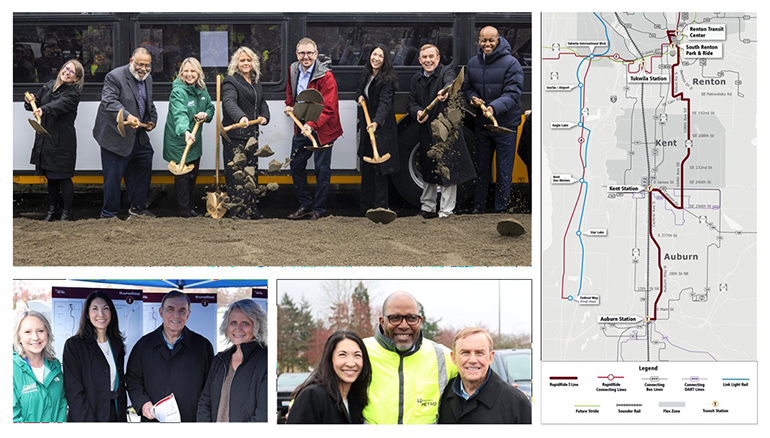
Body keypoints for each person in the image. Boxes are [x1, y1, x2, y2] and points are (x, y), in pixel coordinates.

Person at [362, 291, 457, 424]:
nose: (404, 325)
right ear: (382, 321)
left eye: (411, 318)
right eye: (395, 318)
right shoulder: (361, 352)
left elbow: (480, 380)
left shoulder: (442, 355)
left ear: (420, 321)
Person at [407, 45, 475, 219]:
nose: (428, 60)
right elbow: (411, 102)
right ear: (420, 60)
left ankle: (446, 210)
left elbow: (451, 84)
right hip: (426, 129)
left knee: (447, 168)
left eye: (431, 56)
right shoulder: (416, 79)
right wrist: (417, 112)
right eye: (424, 57)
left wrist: (446, 91)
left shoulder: (446, 72)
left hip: (445, 129)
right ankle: (428, 207)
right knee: (428, 167)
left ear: (438, 58)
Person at [126, 290, 214, 422]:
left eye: (182, 310)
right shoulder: (143, 346)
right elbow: (133, 379)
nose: (176, 315)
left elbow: (210, 387)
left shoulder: (203, 346)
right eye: (170, 309)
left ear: (188, 314)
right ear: (161, 312)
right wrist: (143, 403)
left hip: (191, 422)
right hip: (153, 423)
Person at [464, 26, 524, 214]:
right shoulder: (473, 63)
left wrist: (493, 108)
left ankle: (501, 209)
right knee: (481, 168)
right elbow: (466, 87)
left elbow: (513, 94)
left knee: (504, 170)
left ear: (498, 40)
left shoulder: (512, 63)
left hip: (506, 125)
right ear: (479, 41)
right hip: (483, 125)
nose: (487, 44)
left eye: (491, 40)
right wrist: (472, 98)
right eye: (484, 40)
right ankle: (478, 207)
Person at [93, 47, 158, 219]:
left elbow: (148, 103)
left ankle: (138, 209)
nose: (144, 69)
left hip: (138, 135)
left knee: (144, 162)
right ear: (131, 62)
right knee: (113, 177)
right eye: (140, 64)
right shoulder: (114, 77)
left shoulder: (148, 79)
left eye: (147, 66)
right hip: (115, 136)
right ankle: (109, 215)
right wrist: (129, 116)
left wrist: (152, 120)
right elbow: (109, 102)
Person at [284, 37, 343, 221]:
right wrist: (290, 105)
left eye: (309, 53)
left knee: (321, 169)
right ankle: (305, 204)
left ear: (316, 54)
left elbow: (329, 107)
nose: (306, 56)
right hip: (302, 126)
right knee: (296, 164)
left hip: (323, 127)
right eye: (302, 53)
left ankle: (319, 209)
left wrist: (312, 124)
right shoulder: (293, 70)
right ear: (297, 54)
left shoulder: (326, 76)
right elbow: (290, 92)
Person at [24, 60, 84, 221]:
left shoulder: (73, 94)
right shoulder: (49, 85)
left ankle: (66, 213)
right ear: (61, 69)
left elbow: (58, 105)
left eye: (72, 72)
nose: (67, 72)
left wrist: (43, 109)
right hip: (45, 139)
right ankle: (52, 210)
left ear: (76, 79)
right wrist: (30, 101)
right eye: (66, 68)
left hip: (62, 141)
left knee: (64, 177)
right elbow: (34, 103)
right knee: (50, 177)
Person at [438, 327, 531, 424]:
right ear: (454, 358)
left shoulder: (516, 403)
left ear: (490, 357)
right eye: (465, 353)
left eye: (479, 353)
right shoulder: (443, 393)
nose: (472, 360)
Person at [197, 300, 268, 422]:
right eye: (233, 322)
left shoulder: (266, 361)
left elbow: (263, 415)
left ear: (256, 326)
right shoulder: (219, 360)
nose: (238, 328)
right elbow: (205, 401)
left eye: (245, 323)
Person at [62, 291, 128, 422]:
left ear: (111, 313)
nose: (101, 314)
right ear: (87, 314)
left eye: (105, 308)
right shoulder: (74, 345)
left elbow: (119, 384)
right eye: (94, 309)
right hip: (87, 416)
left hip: (114, 414)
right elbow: (74, 392)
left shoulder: (116, 344)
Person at [221, 47, 270, 219]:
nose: (246, 63)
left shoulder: (256, 81)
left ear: (253, 62)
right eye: (242, 60)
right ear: (236, 63)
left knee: (251, 173)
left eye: (248, 60)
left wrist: (265, 116)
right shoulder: (230, 82)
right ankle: (238, 212)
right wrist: (240, 116)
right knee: (237, 175)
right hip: (234, 137)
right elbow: (228, 101)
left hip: (251, 136)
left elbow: (261, 101)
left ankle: (251, 209)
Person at [163, 57, 215, 218]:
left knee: (193, 176)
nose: (189, 74)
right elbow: (180, 114)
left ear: (199, 73)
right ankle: (184, 211)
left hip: (194, 140)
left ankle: (191, 207)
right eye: (186, 71)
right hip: (179, 140)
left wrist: (206, 115)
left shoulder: (202, 89)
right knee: (183, 178)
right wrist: (185, 131)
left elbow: (210, 107)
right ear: (181, 73)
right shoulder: (177, 92)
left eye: (193, 71)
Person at [355, 44, 400, 222]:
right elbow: (360, 90)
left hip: (382, 129)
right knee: (367, 168)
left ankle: (381, 207)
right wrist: (359, 97)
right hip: (368, 127)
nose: (376, 58)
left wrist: (376, 122)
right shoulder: (367, 74)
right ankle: (365, 208)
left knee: (381, 169)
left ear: (385, 59)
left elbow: (385, 102)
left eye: (380, 56)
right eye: (374, 55)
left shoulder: (387, 79)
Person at [287, 331, 371, 424]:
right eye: (342, 355)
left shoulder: (356, 399)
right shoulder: (312, 396)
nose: (351, 363)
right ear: (330, 359)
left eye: (357, 355)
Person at [12, 310, 67, 422]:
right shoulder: (12, 368)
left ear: (47, 333)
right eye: (27, 332)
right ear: (18, 337)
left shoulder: (55, 365)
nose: (35, 337)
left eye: (40, 331)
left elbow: (62, 403)